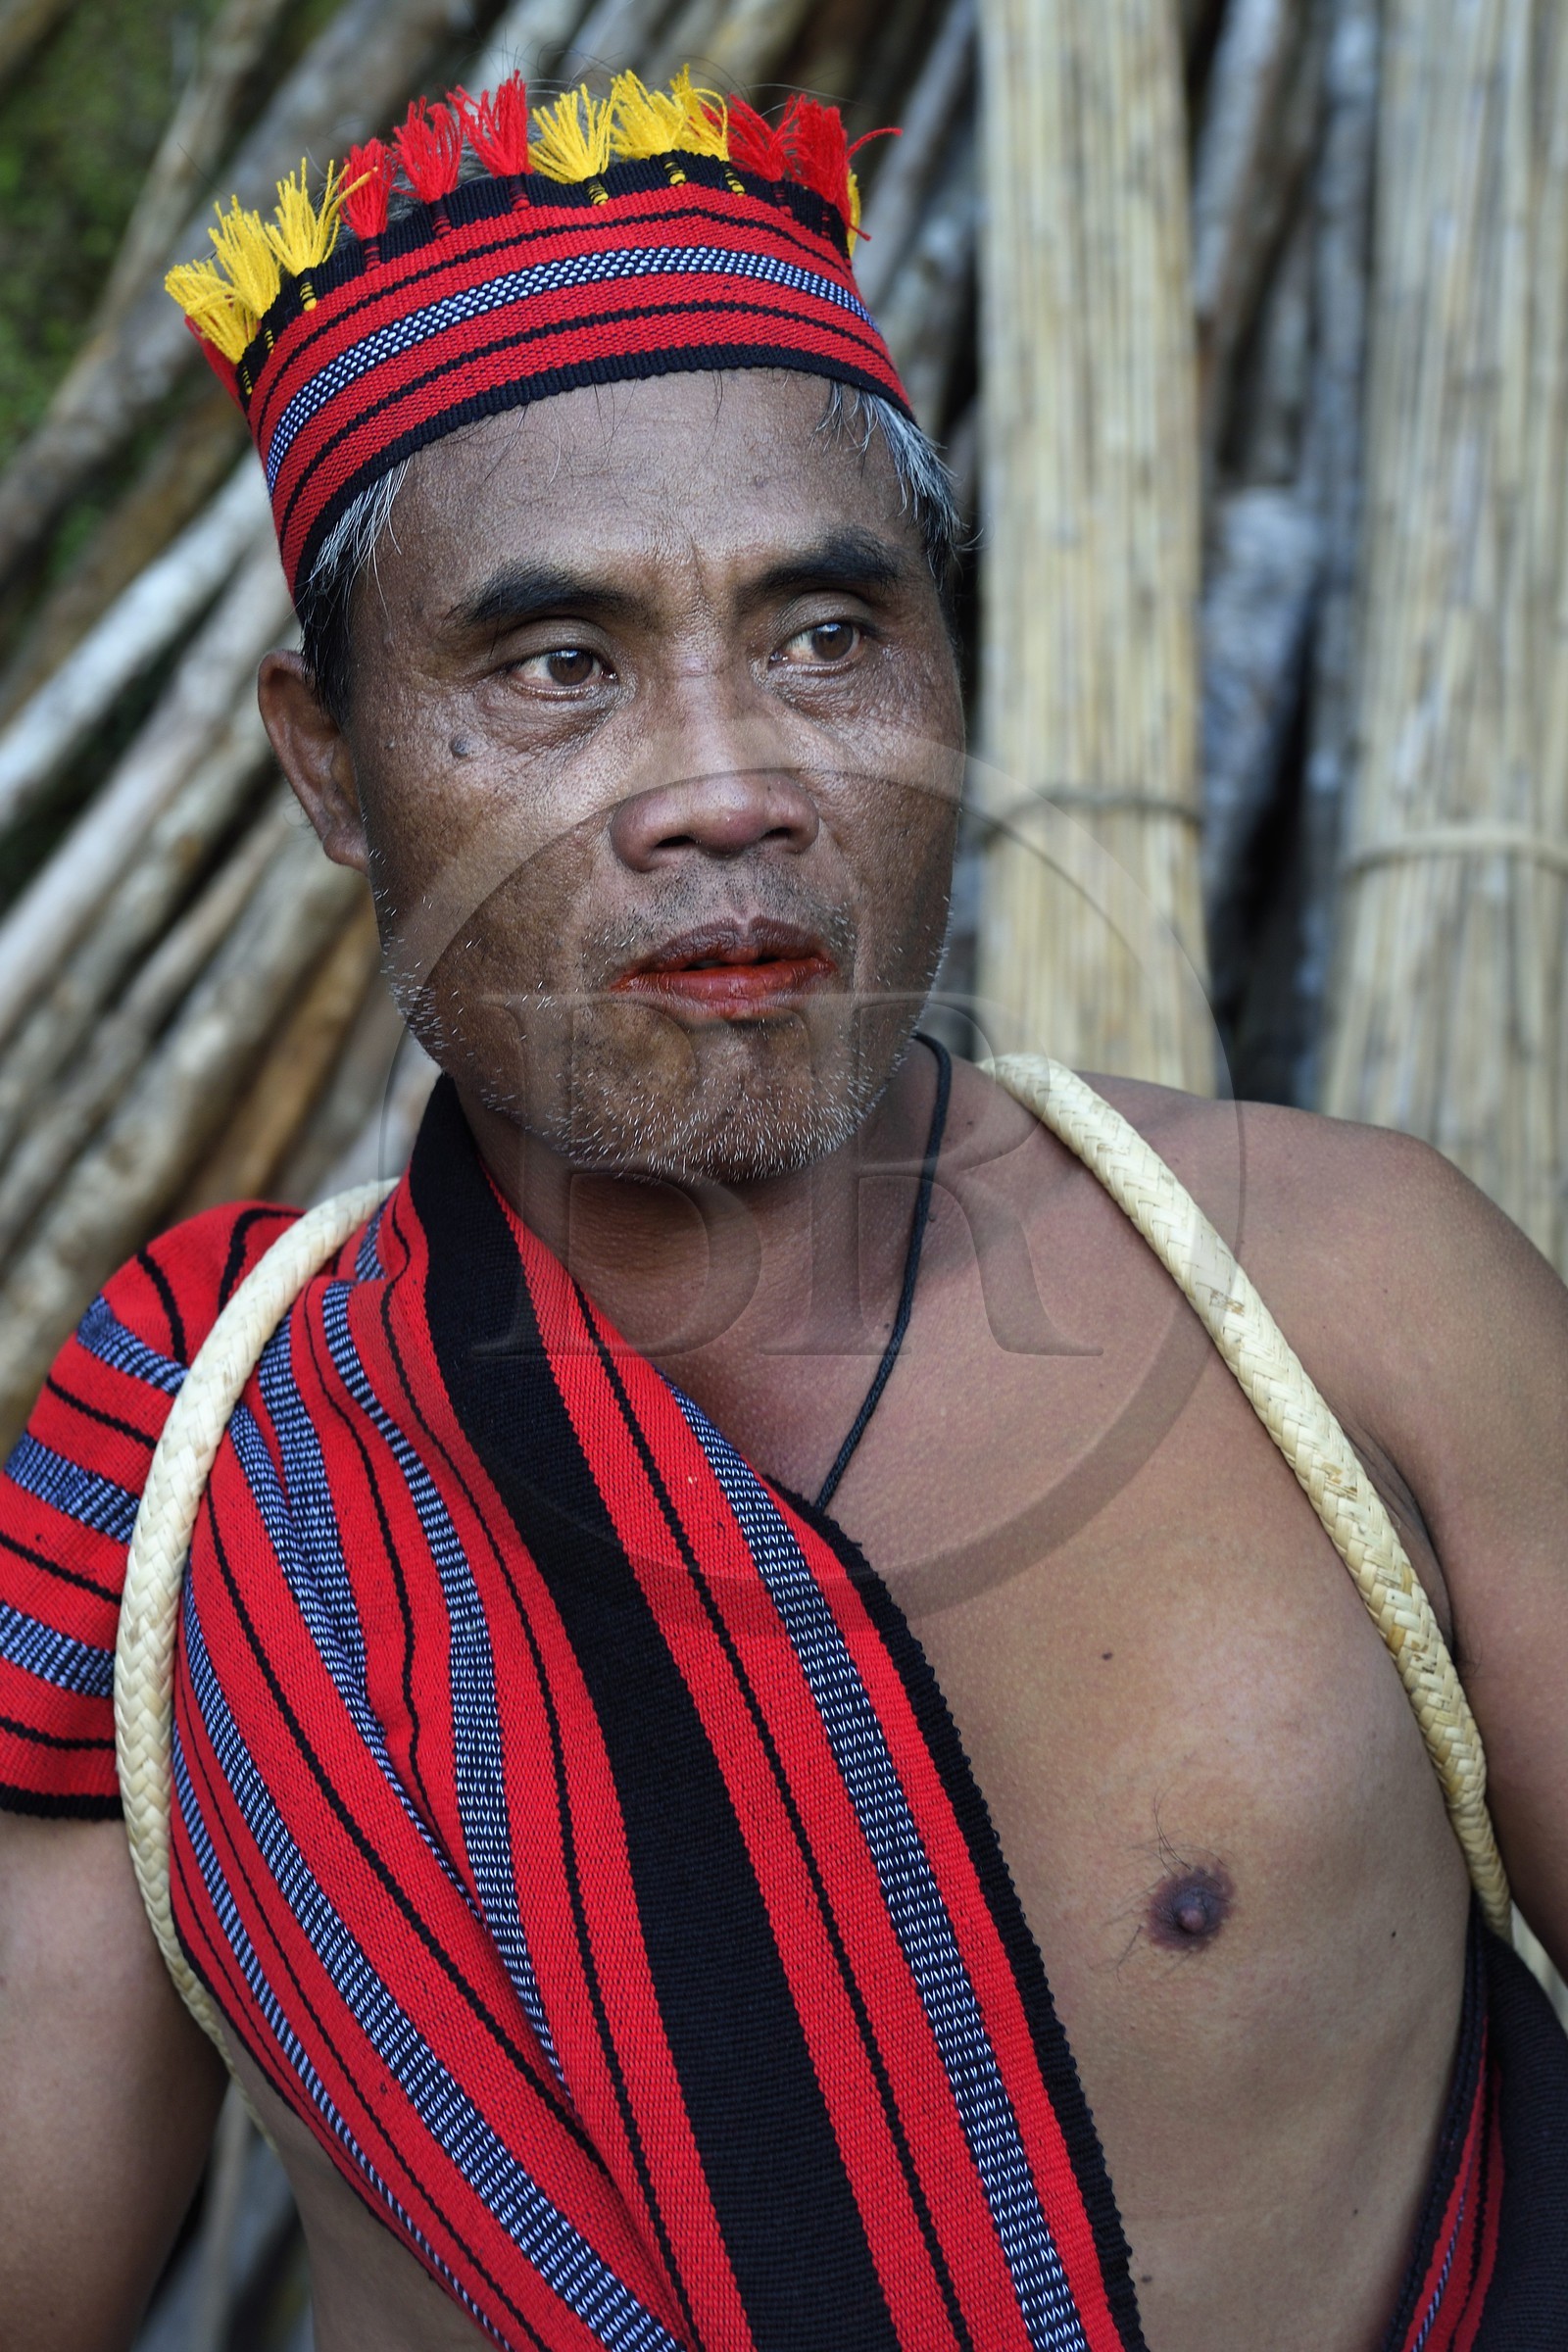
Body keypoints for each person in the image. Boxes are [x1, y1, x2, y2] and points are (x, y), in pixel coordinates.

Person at [1, 65, 1565, 2352]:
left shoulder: (1348, 1310)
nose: (726, 787)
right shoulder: (185, 1492)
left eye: (826, 636)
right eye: (556, 665)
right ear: (327, 762)